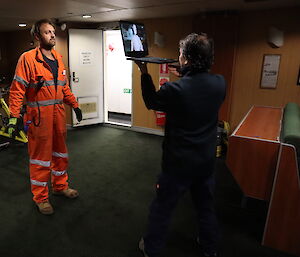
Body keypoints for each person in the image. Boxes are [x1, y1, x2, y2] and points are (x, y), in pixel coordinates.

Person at [135, 33, 226, 257]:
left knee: (162, 209)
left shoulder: (175, 90)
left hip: (178, 165)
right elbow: (198, 89)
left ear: (185, 58)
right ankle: (209, 247)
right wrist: (186, 72)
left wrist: (144, 72)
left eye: (180, 54)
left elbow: (151, 101)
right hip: (205, 162)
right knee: (205, 207)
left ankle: (152, 248)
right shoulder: (220, 83)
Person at [8, 19, 82, 215]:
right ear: (37, 36)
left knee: (60, 154)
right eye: (47, 32)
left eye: (53, 32)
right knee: (40, 160)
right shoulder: (28, 59)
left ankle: (60, 186)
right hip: (38, 117)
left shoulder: (58, 58)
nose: (52, 35)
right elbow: (17, 90)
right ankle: (41, 198)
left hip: (58, 115)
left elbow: (64, 87)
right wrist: (14, 116)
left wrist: (74, 105)